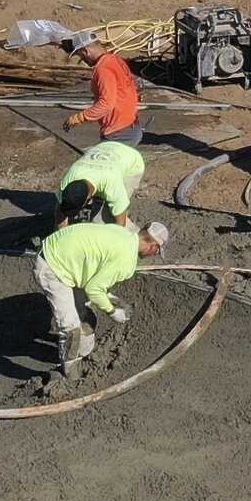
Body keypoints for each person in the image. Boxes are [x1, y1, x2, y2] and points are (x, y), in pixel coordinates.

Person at [32, 214, 167, 373]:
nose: (153, 255)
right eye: (156, 252)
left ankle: (85, 356)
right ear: (153, 246)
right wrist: (113, 312)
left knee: (85, 317)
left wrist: (106, 294)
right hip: (53, 267)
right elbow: (93, 290)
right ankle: (71, 375)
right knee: (71, 329)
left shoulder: (123, 233)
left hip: (60, 250)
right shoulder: (126, 260)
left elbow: (96, 262)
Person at [64, 35, 142, 147]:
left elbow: (106, 103)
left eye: (81, 56)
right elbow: (132, 86)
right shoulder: (115, 60)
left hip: (118, 133)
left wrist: (79, 118)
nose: (83, 61)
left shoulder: (103, 69)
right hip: (131, 126)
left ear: (85, 51)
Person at [55, 136, 146, 226]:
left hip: (132, 163)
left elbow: (120, 222)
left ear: (88, 199)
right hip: (105, 147)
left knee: (104, 219)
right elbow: (61, 213)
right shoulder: (67, 181)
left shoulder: (112, 184)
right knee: (97, 213)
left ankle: (134, 234)